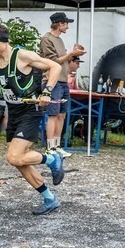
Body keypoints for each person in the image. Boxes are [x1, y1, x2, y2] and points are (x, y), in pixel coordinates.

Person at [0, 22, 65, 215]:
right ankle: (49, 199)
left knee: (13, 156)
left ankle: (52, 158)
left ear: (5, 42)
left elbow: (54, 66)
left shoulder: (21, 55)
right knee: (20, 161)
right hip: (14, 110)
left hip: (30, 110)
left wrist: (47, 91)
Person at [39, 12, 85, 159]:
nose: (68, 27)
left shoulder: (59, 40)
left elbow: (64, 59)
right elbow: (53, 61)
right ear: (60, 24)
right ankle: (49, 147)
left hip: (63, 82)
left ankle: (57, 146)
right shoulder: (46, 39)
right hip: (52, 81)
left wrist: (74, 53)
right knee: (52, 114)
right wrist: (71, 54)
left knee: (61, 114)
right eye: (66, 23)